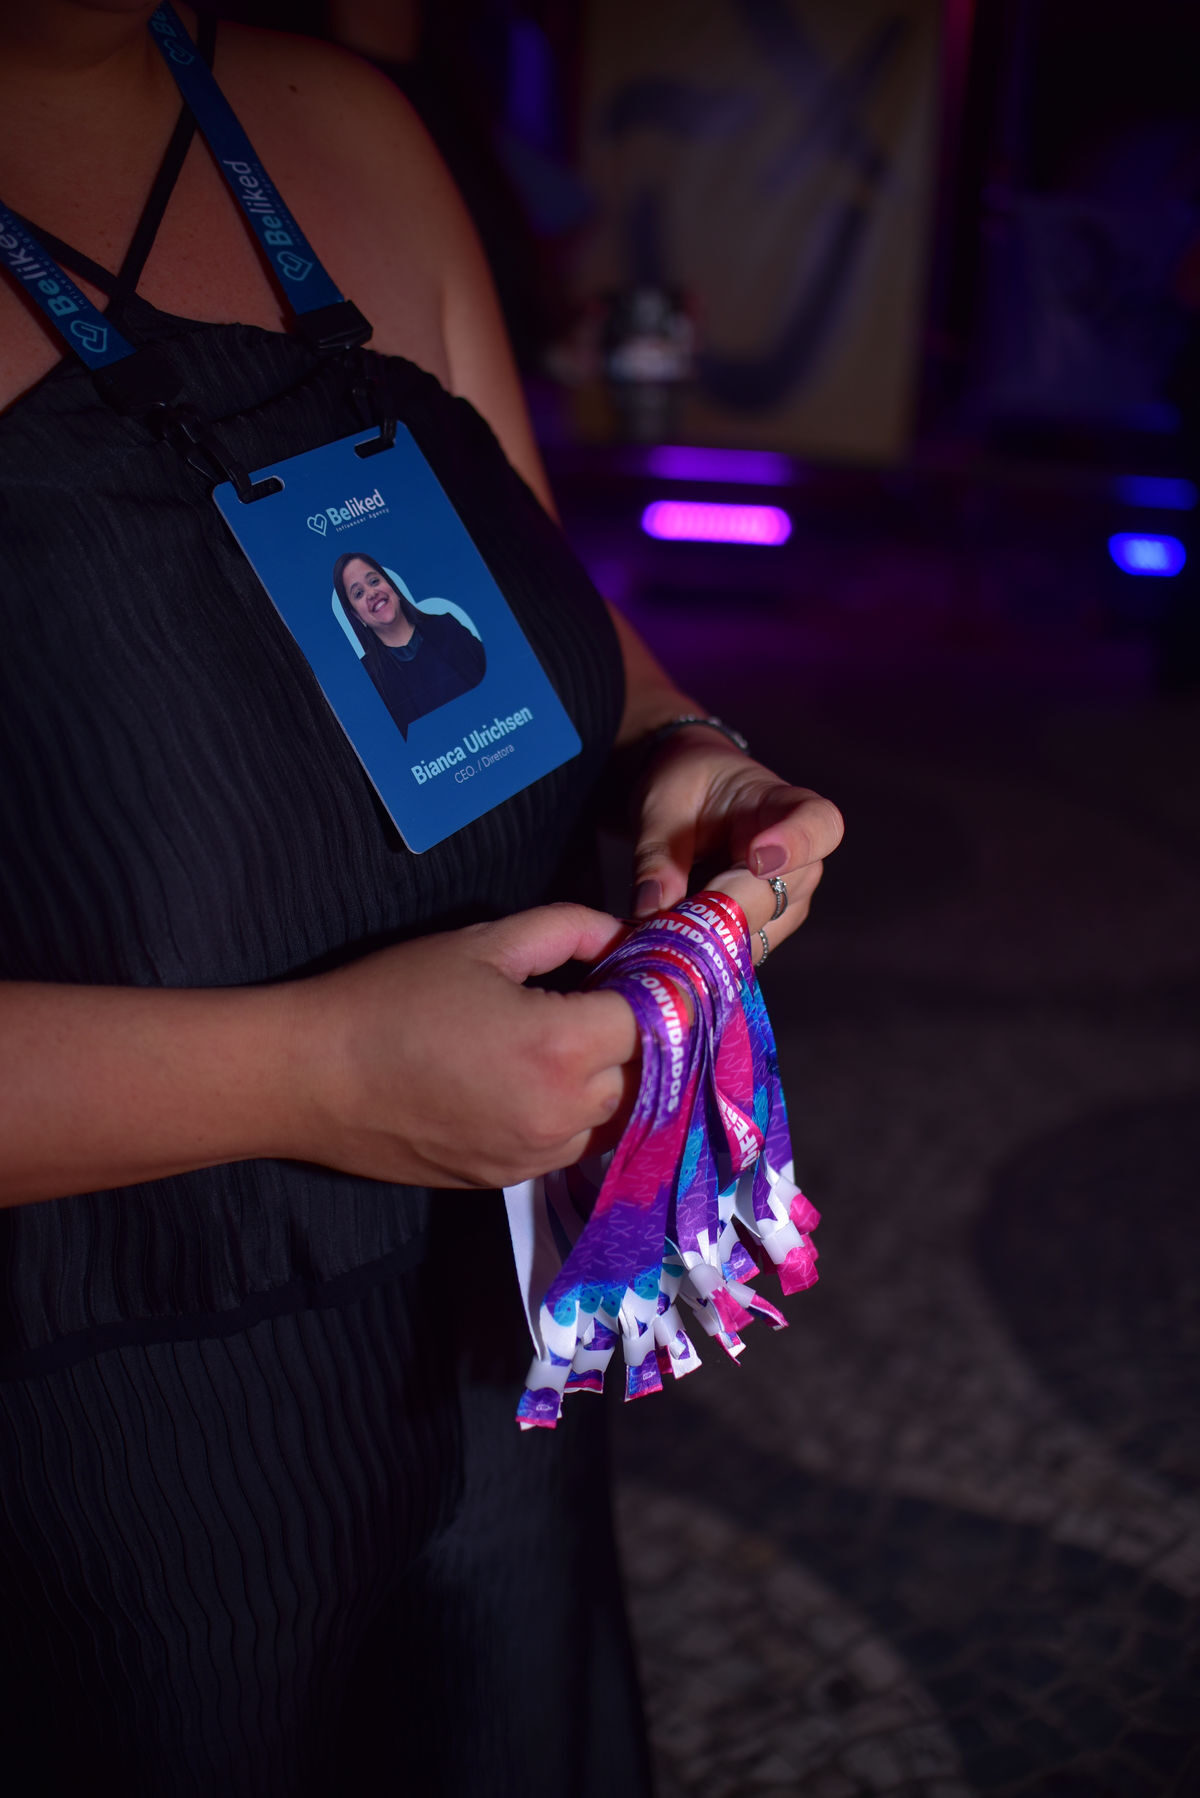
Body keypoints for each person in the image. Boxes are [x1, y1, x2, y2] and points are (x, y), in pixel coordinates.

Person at [0, 4, 843, 1794]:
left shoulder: (344, 125)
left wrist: (678, 746)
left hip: (492, 1304)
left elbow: (524, 585)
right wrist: (316, 1072)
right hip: (87, 1402)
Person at [333, 549, 487, 736]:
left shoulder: (447, 627)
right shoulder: (368, 679)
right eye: (358, 593)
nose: (371, 593)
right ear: (357, 616)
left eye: (374, 581)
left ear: (392, 586)